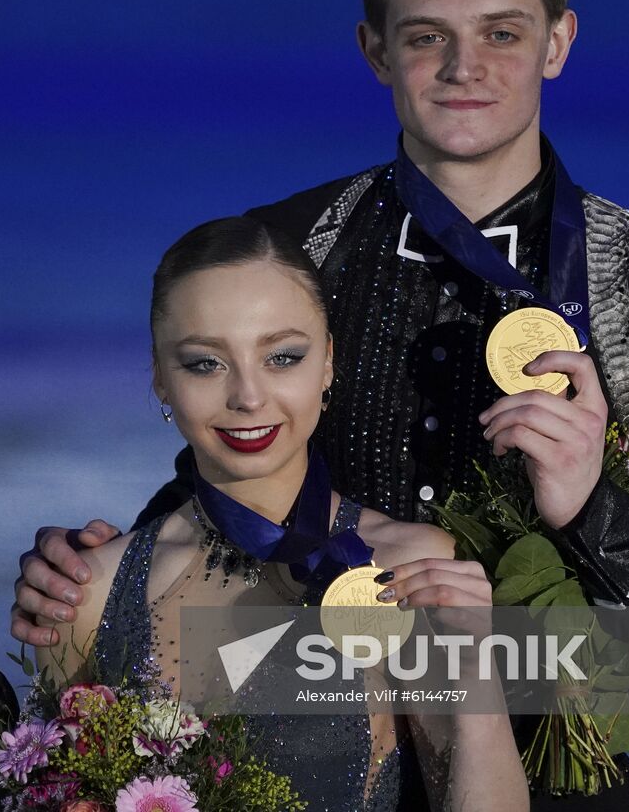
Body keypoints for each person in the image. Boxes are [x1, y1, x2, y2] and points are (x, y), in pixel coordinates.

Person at [12, 0, 629, 808]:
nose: (462, 66)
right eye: (427, 35)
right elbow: (228, 468)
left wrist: (597, 511)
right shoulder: (290, 252)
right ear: (375, 51)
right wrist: (98, 574)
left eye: (502, 33)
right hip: (295, 779)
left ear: (559, 42)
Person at [34, 215, 529, 812]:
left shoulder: (410, 568)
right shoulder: (87, 592)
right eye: (204, 363)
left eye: (284, 356)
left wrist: (477, 678)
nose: (247, 396)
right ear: (161, 379)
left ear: (327, 365)